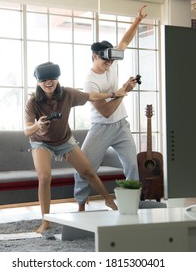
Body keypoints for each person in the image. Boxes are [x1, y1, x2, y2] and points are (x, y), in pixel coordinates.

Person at [24, 61, 126, 233]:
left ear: (57, 79)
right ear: (38, 82)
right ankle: (46, 221)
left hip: (64, 140)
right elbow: (27, 130)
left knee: (88, 171)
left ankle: (109, 201)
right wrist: (37, 126)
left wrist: (114, 94)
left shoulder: (67, 94)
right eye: (43, 80)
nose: (48, 82)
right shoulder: (32, 102)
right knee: (44, 177)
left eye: (52, 79)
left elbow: (91, 96)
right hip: (40, 141)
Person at [74, 5, 148, 211]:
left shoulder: (112, 62)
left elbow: (124, 41)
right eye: (105, 59)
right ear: (94, 56)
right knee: (85, 167)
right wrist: (123, 91)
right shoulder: (90, 81)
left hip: (121, 125)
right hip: (101, 127)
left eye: (111, 59)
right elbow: (105, 112)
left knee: (132, 166)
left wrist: (137, 20)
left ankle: (133, 202)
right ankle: (80, 204)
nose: (109, 63)